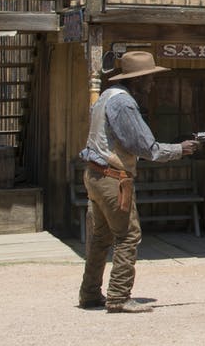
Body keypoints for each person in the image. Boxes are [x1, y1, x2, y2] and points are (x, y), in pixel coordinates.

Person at [78, 51, 198, 312]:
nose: (152, 84)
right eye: (149, 79)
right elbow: (146, 147)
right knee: (128, 236)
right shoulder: (124, 104)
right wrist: (180, 149)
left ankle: (89, 294)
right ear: (138, 80)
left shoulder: (106, 97)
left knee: (100, 238)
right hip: (112, 178)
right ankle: (119, 296)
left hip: (96, 174)